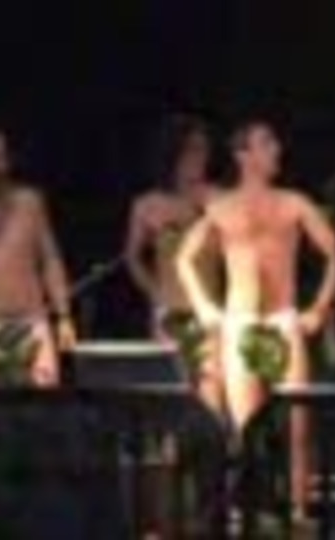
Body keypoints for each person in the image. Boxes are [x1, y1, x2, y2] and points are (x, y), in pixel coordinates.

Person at [178, 120, 335, 521]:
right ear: (243, 154)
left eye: (275, 142)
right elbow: (184, 257)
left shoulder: (294, 202)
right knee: (246, 428)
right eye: (266, 143)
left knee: (297, 425)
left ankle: (299, 514)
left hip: (282, 321)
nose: (276, 149)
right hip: (241, 324)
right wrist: (204, 306)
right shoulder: (221, 207)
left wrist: (319, 308)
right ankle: (245, 515)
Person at [124, 115, 224, 408]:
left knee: (211, 395)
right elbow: (132, 257)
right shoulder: (147, 204)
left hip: (208, 311)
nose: (200, 157)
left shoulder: (218, 198)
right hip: (168, 310)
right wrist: (154, 292)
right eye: (193, 149)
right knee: (170, 396)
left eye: (204, 149)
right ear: (175, 153)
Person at [0, 128, 76, 386]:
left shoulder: (30, 202)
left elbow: (50, 259)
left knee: (42, 401)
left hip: (30, 321)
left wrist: (63, 315)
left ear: (8, 161)